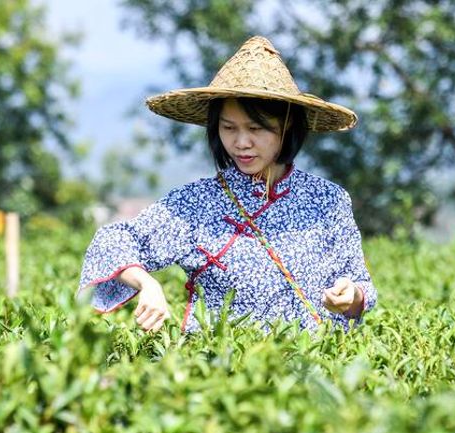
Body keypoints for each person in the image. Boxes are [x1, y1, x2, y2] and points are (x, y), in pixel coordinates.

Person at [78, 36, 376, 333]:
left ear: (286, 124)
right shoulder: (196, 203)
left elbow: (359, 285)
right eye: (228, 128)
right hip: (220, 369)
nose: (241, 143)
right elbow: (112, 242)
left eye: (255, 128)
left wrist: (351, 297)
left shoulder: (328, 200)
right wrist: (147, 283)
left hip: (310, 365)